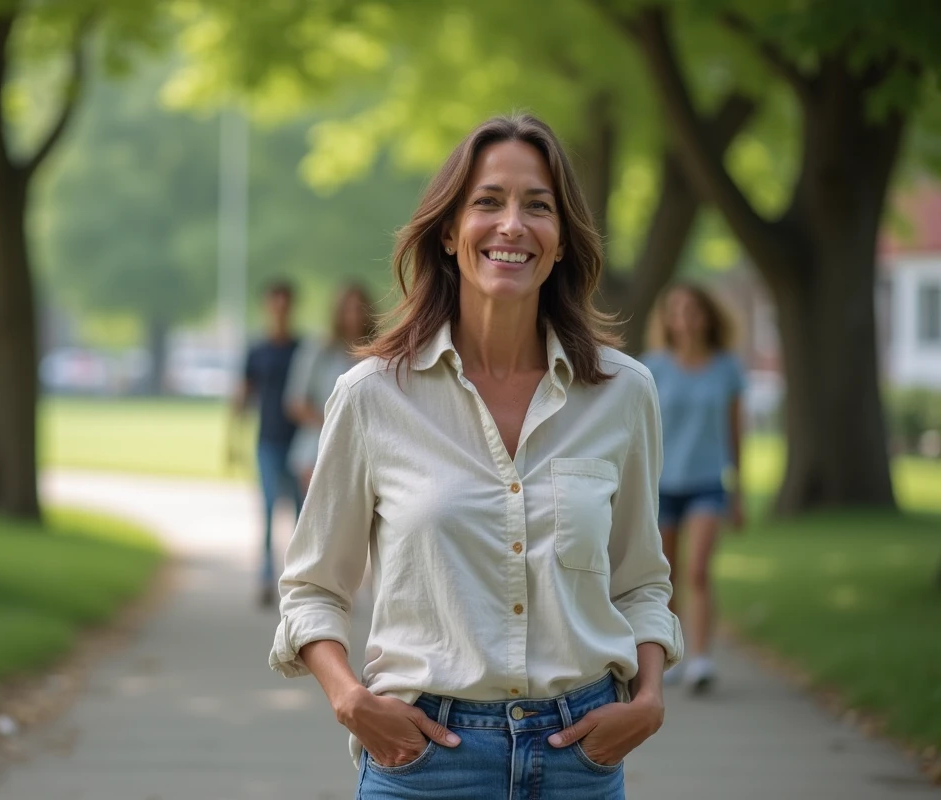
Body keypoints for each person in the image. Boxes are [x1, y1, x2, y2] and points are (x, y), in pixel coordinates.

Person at [269, 114, 682, 799]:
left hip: (581, 759)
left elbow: (639, 579)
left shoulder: (624, 394)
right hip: (424, 761)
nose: (512, 225)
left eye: (538, 206)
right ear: (448, 234)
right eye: (488, 202)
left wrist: (648, 700)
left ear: (560, 244)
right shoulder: (372, 397)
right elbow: (313, 587)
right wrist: (350, 700)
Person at [642, 283, 745, 695]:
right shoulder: (651, 368)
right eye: (677, 310)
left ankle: (701, 659)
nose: (685, 318)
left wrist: (738, 490)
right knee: (665, 576)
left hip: (707, 483)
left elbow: (737, 432)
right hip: (661, 485)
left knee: (699, 571)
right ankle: (672, 655)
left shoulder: (727, 368)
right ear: (667, 319)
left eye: (693, 310)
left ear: (708, 316)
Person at [231, 280, 302, 608]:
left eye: (284, 304)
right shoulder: (257, 350)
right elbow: (243, 394)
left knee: (303, 515)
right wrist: (232, 437)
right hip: (268, 440)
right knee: (270, 509)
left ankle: (302, 580)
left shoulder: (303, 349)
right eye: (274, 303)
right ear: (267, 306)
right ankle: (264, 577)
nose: (279, 310)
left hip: (300, 442)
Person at [284, 284, 377, 494]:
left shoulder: (378, 353)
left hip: (365, 448)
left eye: (359, 309)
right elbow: (296, 402)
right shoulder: (318, 350)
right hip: (319, 443)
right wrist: (335, 424)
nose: (353, 317)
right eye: (348, 309)